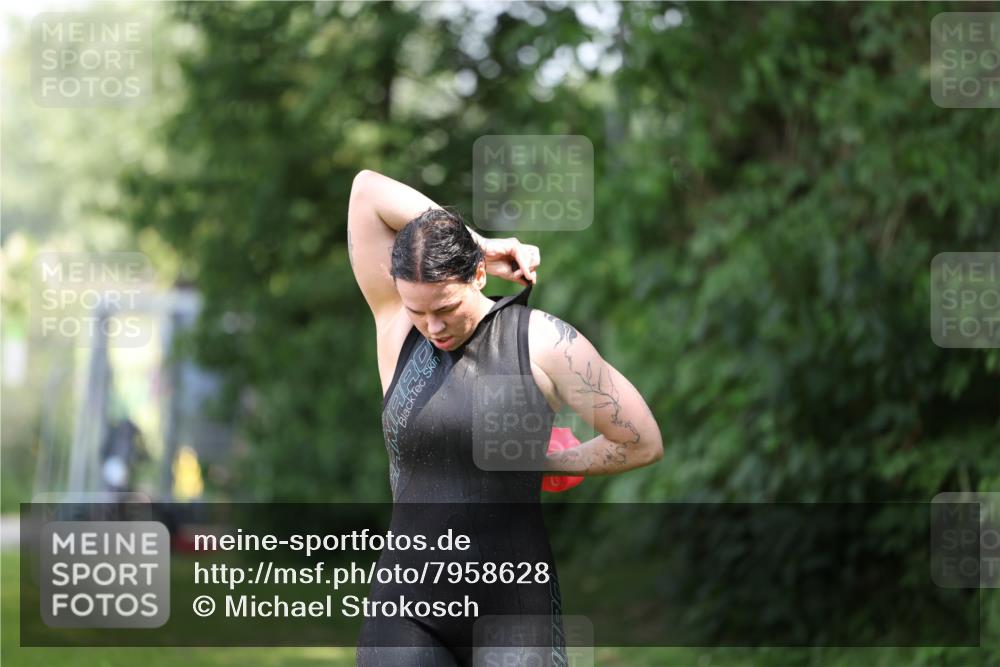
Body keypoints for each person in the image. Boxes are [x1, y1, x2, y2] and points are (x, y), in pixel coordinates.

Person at [348, 169, 663, 666]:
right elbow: (366, 191)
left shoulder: (542, 342)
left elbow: (641, 440)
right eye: (418, 310)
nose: (433, 326)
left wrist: (552, 465)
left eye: (446, 308)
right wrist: (483, 243)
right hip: (405, 609)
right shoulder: (396, 331)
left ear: (476, 278)